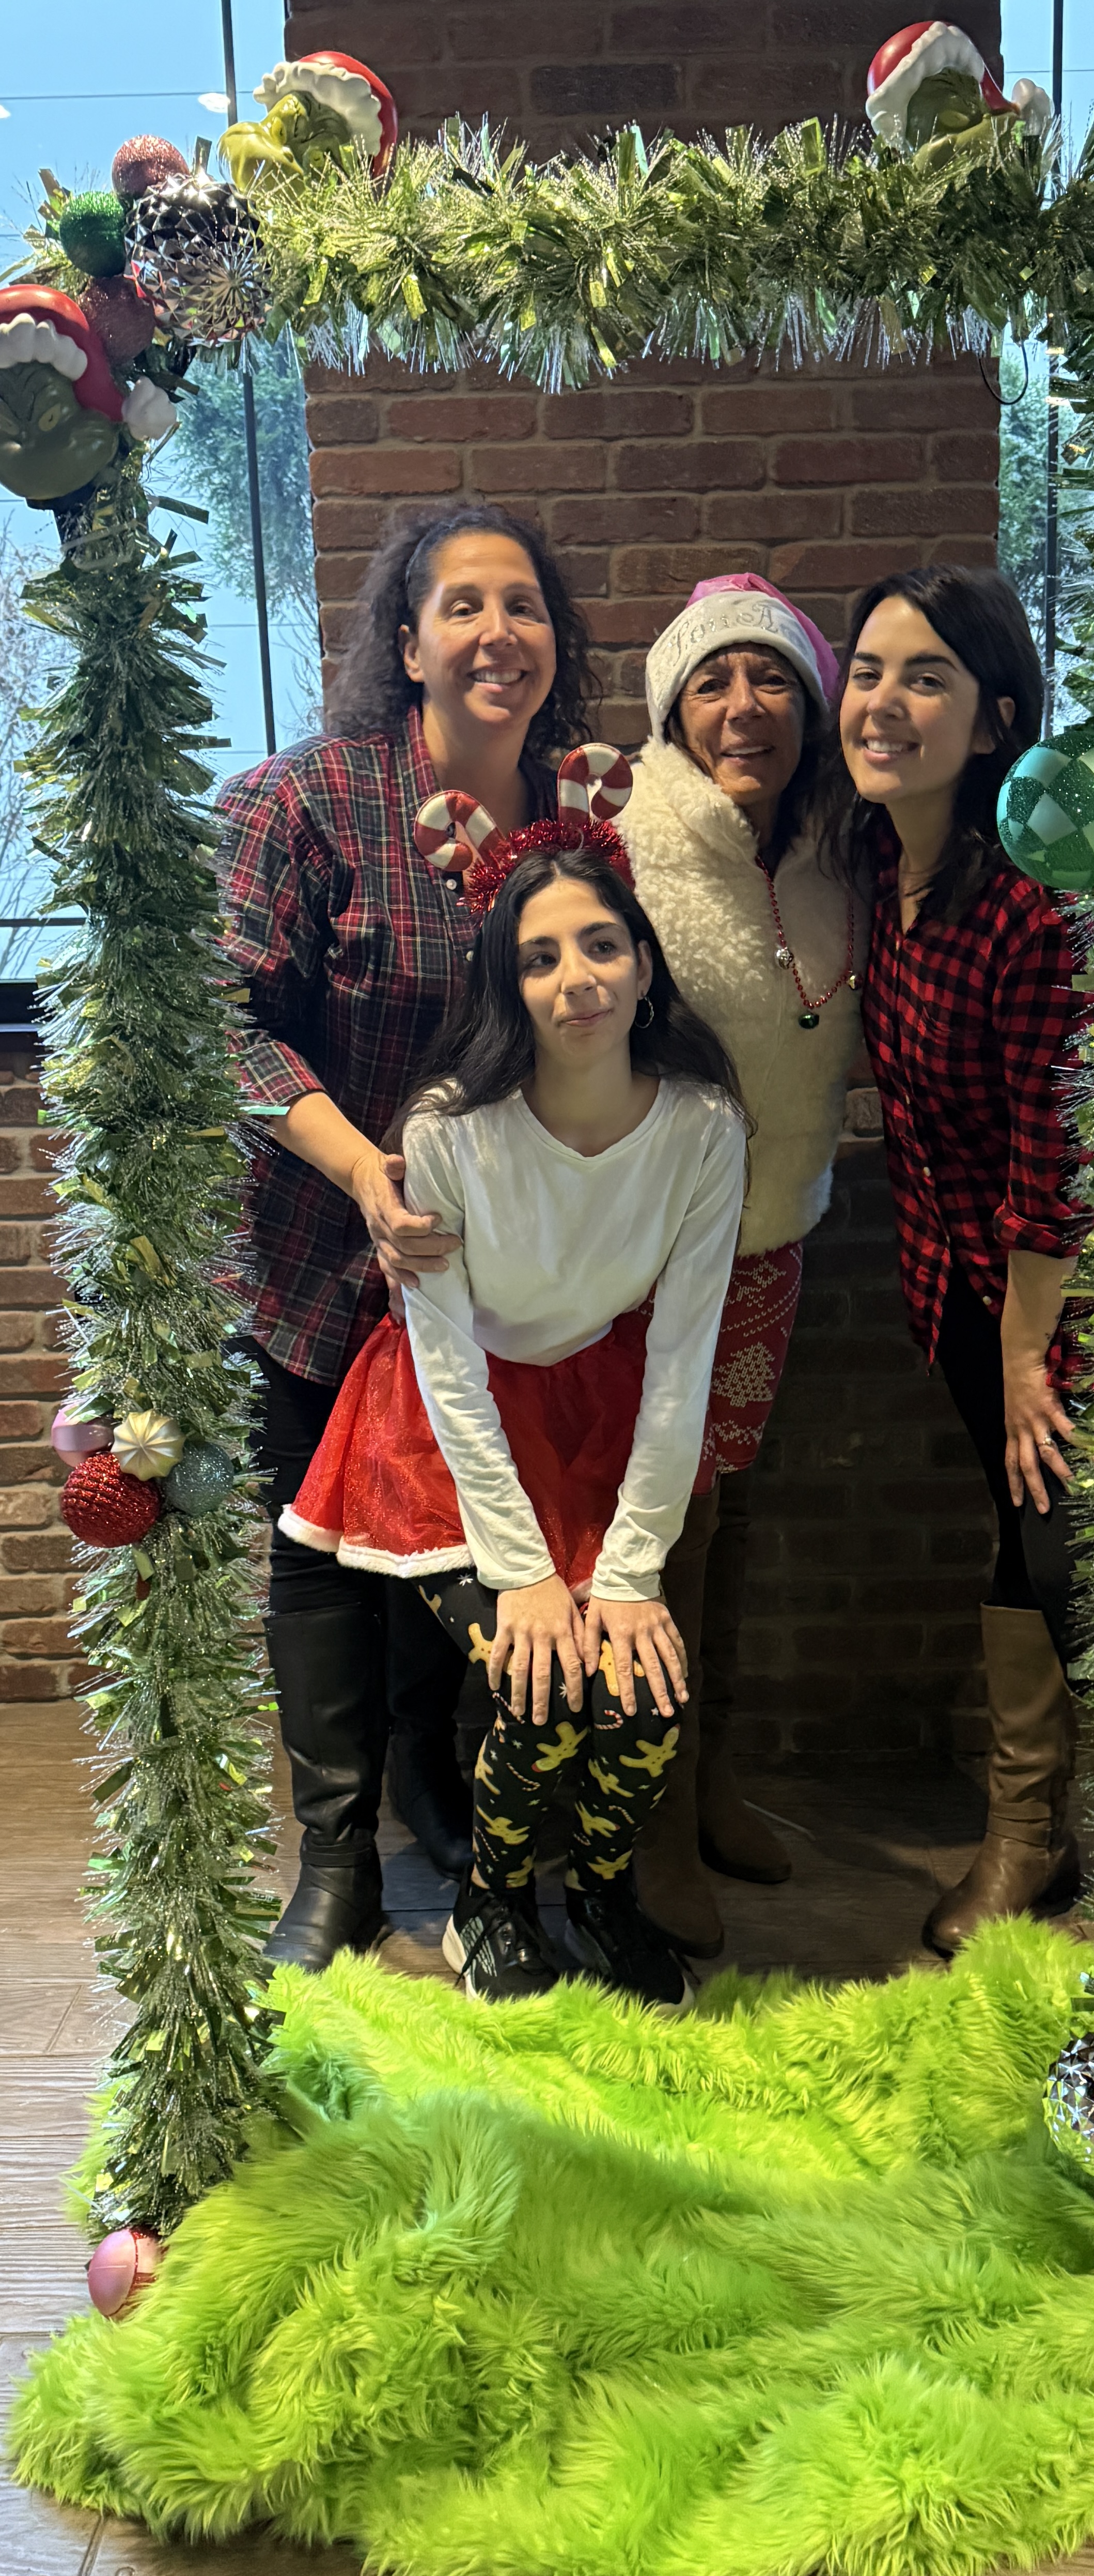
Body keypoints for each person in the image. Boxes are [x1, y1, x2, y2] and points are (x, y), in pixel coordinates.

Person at [280, 770, 747, 2011]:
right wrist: (527, 1574)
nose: (576, 979)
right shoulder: (447, 1133)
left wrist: (631, 1572)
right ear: (507, 984)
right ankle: (491, 1900)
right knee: (538, 1689)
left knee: (642, 1696)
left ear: (644, 964)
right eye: (540, 959)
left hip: (596, 1417)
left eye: (601, 945)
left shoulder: (704, 1127)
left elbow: (682, 1358)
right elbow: (445, 1365)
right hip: (449, 1428)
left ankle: (598, 1890)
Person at [217, 499, 596, 1971]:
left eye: (526, 605)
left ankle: (427, 1777)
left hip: (492, 1273)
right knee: (320, 1546)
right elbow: (222, 1023)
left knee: (451, 1534)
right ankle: (336, 1858)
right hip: (322, 1256)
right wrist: (363, 1171)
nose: (499, 633)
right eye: (465, 606)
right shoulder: (306, 801)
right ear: (409, 640)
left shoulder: (584, 815)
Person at [834, 565, 1090, 1958]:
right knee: (1019, 1537)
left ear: (995, 720)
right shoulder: (886, 866)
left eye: (924, 677)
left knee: (1061, 1562)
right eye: (869, 671)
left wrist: (1023, 1352)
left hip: (1050, 1311)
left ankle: (1043, 1841)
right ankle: (1038, 1832)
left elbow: (1059, 1153)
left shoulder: (1031, 906)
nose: (883, 702)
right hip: (953, 1291)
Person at [616, 574, 871, 1961]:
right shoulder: (625, 842)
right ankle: (651, 1816)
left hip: (772, 1239)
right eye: (711, 681)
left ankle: (711, 1779)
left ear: (812, 706)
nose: (742, 706)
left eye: (771, 678)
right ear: (672, 709)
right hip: (644, 1259)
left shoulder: (838, 852)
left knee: (734, 1516)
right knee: (667, 1529)